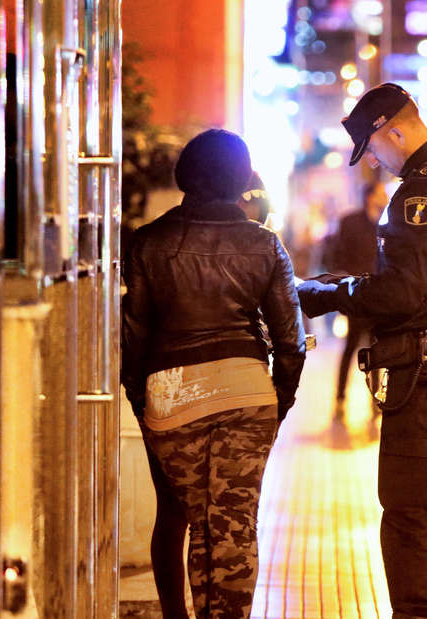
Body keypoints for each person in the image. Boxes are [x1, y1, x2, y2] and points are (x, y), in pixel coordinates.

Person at [296, 82, 427, 619]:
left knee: (411, 512)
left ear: (396, 130)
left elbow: (405, 291)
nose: (378, 163)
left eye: (376, 149)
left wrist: (333, 291)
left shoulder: (420, 192)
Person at [122, 128, 306, 619]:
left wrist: (145, 404)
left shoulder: (148, 242)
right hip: (246, 393)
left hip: (171, 396)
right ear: (241, 177)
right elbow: (291, 342)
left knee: (192, 518)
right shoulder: (265, 245)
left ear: (185, 176)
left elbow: (134, 338)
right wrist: (277, 402)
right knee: (233, 524)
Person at [322, 178, 388, 425]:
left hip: (378, 296)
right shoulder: (351, 222)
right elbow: (336, 255)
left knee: (376, 351)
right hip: (356, 295)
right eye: (381, 192)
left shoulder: (385, 222)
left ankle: (374, 401)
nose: (385, 196)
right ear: (371, 196)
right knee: (350, 347)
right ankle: (340, 398)